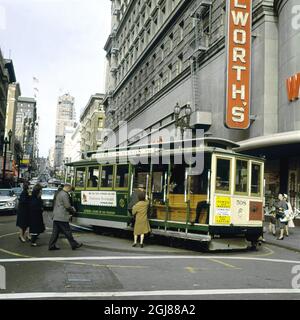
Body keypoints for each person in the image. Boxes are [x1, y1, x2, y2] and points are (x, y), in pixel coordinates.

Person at [48, 183, 82, 251]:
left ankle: (51, 245)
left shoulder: (59, 193)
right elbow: (67, 206)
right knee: (67, 231)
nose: (70, 191)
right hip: (62, 216)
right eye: (70, 189)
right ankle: (74, 244)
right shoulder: (64, 194)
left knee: (55, 232)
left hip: (57, 216)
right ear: (68, 187)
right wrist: (72, 210)